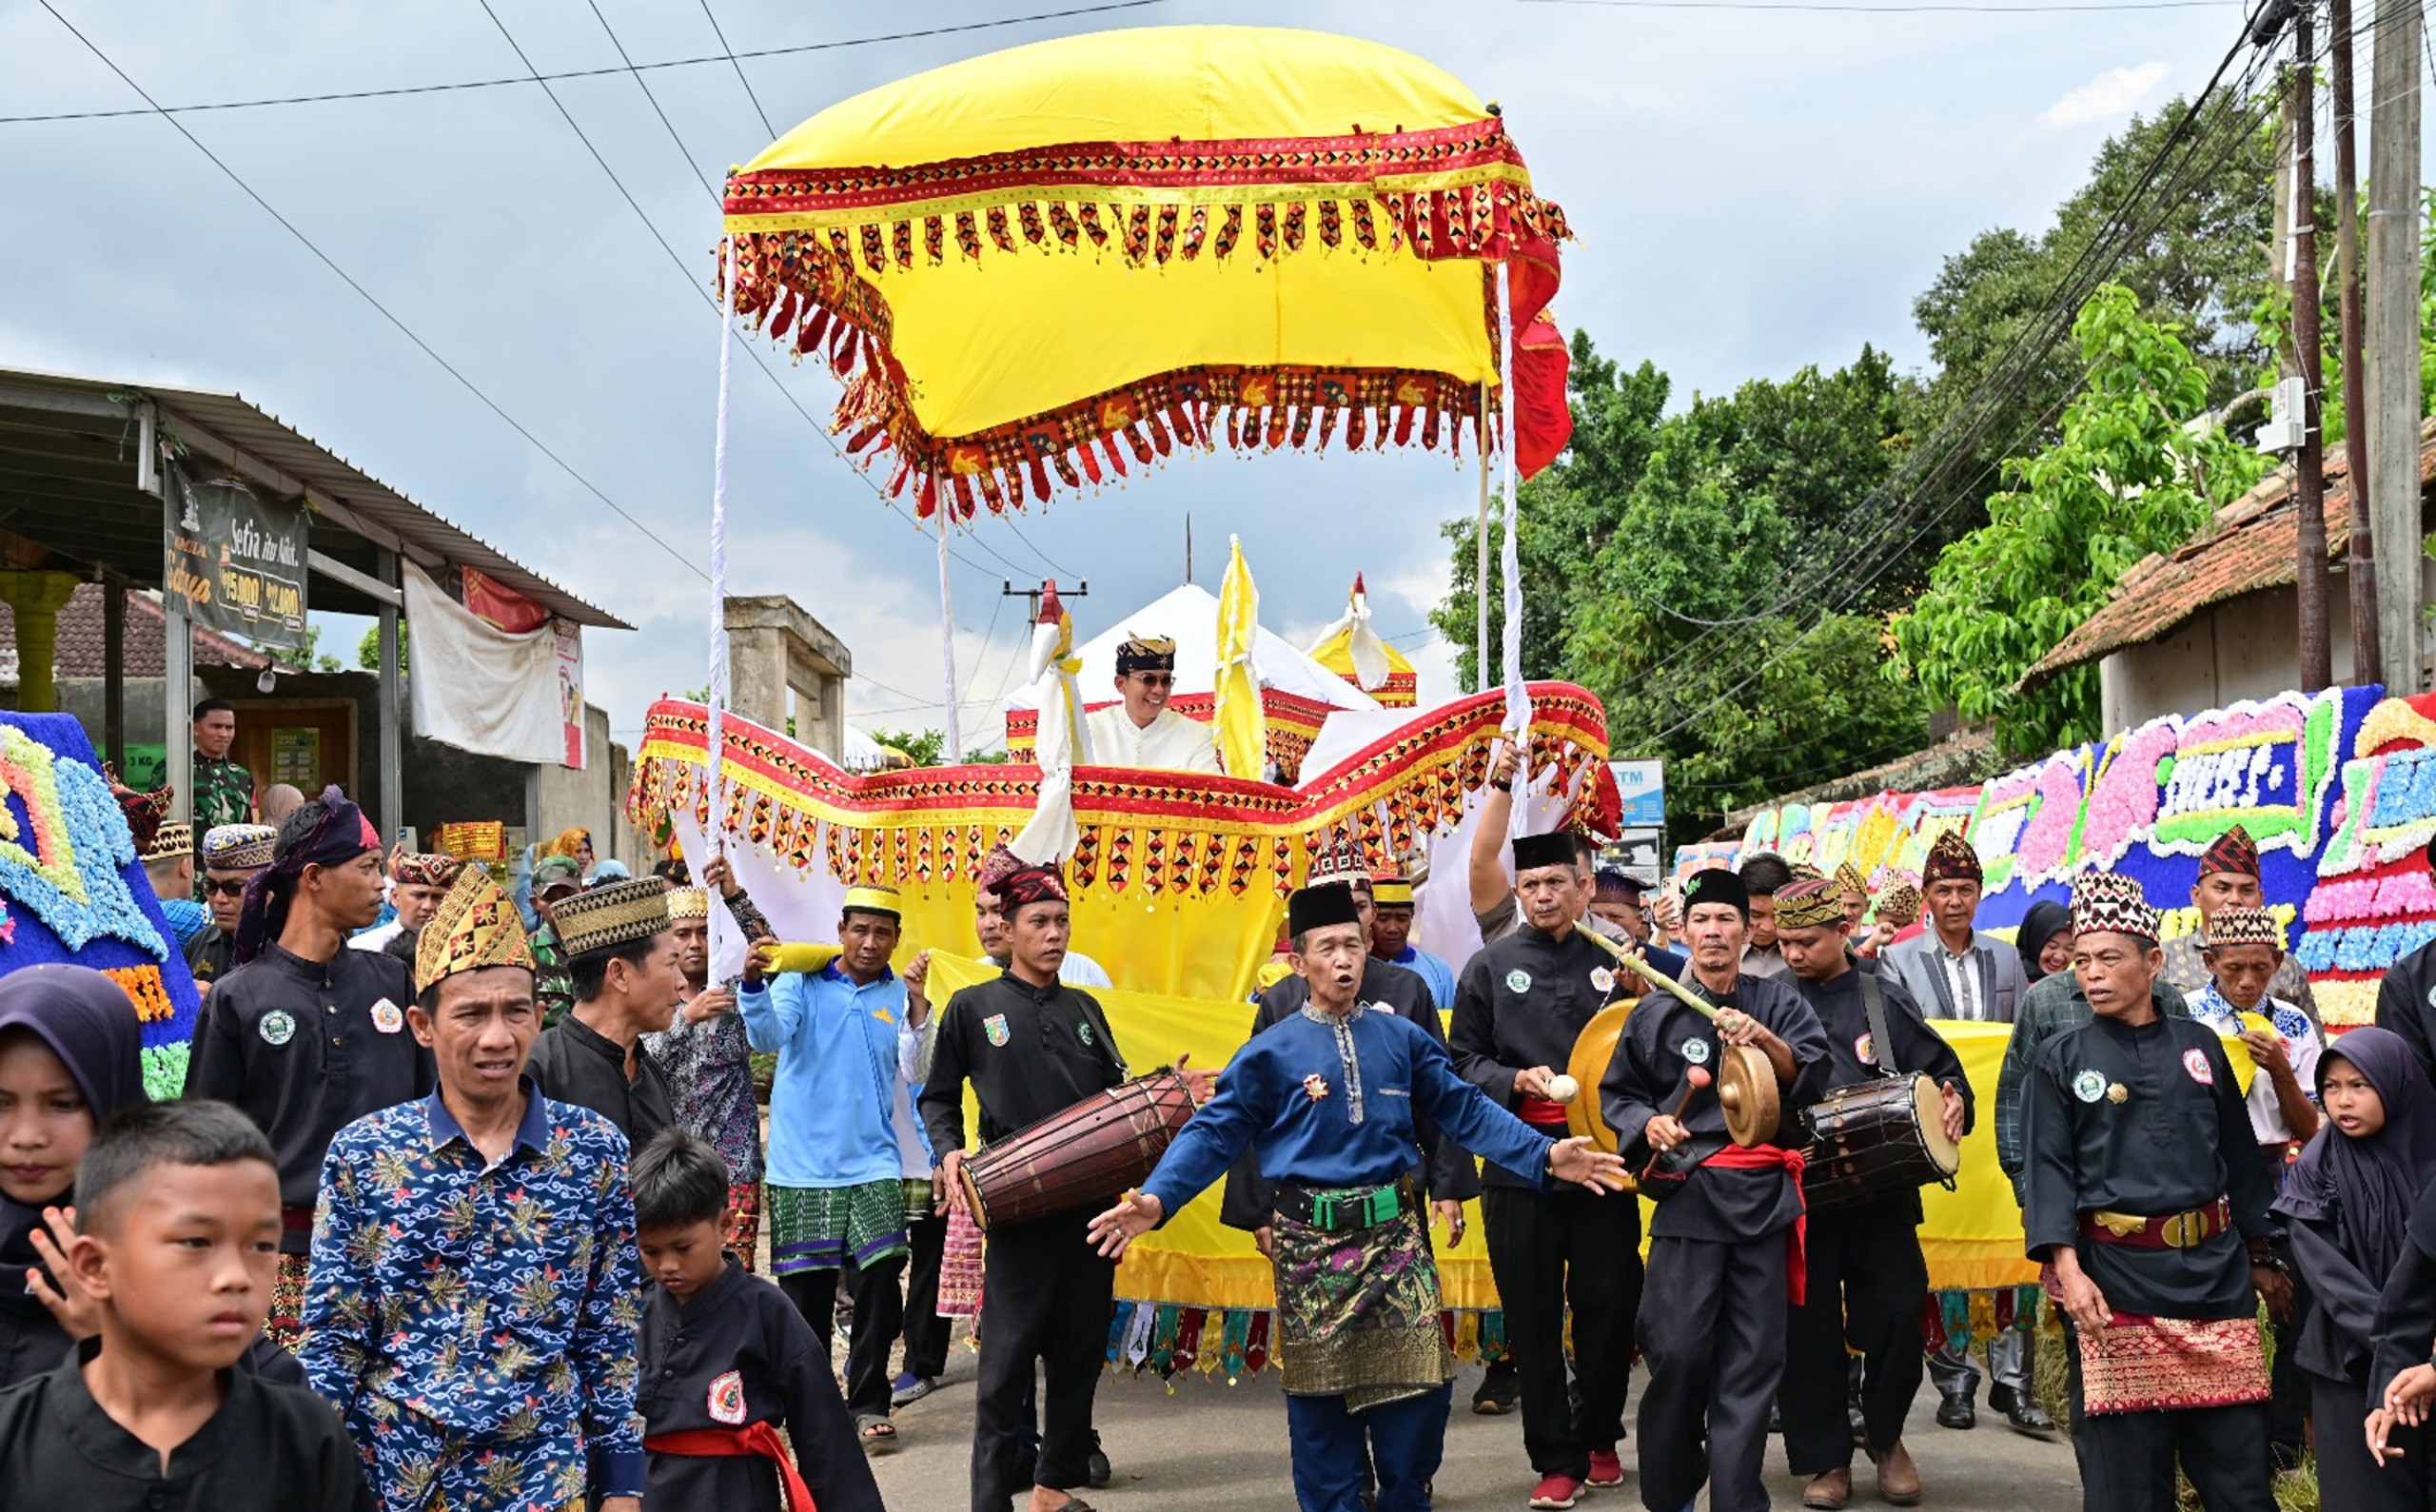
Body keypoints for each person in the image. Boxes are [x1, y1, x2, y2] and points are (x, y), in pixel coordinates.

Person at [1089, 883, 1632, 1512]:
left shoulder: (1400, 1037)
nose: (1343, 959)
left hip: (1396, 1242)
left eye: (1352, 943)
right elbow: (1215, 1131)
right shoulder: (1270, 1051)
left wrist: (1543, 1153)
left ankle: (1406, 1497)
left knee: (1421, 1400)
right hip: (1311, 1249)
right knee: (1322, 1413)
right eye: (1327, 948)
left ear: (1367, 946)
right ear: (1299, 962)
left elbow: (1462, 1107)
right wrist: (1156, 1200)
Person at [302, 863, 648, 1512]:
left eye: (516, 1011)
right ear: (423, 1025)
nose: (497, 1036)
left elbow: (610, 1331)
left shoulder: (592, 1150)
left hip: (543, 1479)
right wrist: (308, 1475)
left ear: (540, 1016)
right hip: (395, 1481)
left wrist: (623, 1484)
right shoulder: (366, 1154)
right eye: (471, 1013)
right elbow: (334, 1336)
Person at [2021, 870, 2281, 1512]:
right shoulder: (2060, 1057)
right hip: (2115, 1286)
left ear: (2153, 960)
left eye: (2109, 957)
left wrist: (2261, 1254)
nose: (2093, 973)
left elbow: (2240, 1158)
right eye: (2082, 961)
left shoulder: (2200, 1047)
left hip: (2215, 1280)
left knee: (2241, 1483)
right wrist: (2067, 1267)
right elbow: (2047, 1168)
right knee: (2127, 1491)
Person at [0, 1101, 373, 1511]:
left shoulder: (305, 1439)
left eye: (261, 1245)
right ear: (95, 1266)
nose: (236, 1276)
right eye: (195, 1242)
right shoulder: (15, 1438)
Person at [919, 862, 1154, 1512]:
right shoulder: (972, 1006)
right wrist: (948, 1151)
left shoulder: (1086, 1008)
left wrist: (1163, 1095)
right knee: (1004, 1370)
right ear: (1009, 928)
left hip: (1089, 1216)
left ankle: (1051, 1489)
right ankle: (990, 1501)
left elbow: (1119, 1097)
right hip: (1018, 1211)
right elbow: (937, 1097)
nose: (1053, 935)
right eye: (1039, 923)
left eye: (1061, 922)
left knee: (1078, 1360)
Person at [1601, 865, 1828, 1512]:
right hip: (1689, 1200)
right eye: (1700, 919)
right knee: (1675, 1351)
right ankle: (1672, 1487)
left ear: (1747, 927)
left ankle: (1735, 1498)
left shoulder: (1777, 1001)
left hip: (1762, 1202)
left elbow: (1809, 1074)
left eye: (1726, 918)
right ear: (1683, 928)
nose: (1713, 931)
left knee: (1753, 1362)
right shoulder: (1654, 1010)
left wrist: (1764, 1040)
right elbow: (1618, 1094)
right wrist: (1650, 1122)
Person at [183, 787, 429, 1352]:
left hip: (395, 1249)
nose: (382, 884)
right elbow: (203, 1146)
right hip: (282, 1260)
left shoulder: (392, 983)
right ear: (314, 877)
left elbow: (429, 1113)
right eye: (368, 867)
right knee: (289, 1423)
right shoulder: (237, 998)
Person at [1450, 831, 1650, 1509]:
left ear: (1584, 886)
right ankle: (1554, 1456)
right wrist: (1515, 1079)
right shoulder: (1488, 965)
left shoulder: (1620, 962)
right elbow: (1463, 1063)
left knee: (1609, 1304)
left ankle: (1598, 1435)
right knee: (1532, 1318)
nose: (1542, 896)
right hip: (1519, 1163)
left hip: (1600, 1160)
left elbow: (1655, 1045)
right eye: (1530, 885)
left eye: (1556, 883)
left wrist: (1639, 995)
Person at [1771, 878, 1970, 1509]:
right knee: (1807, 1333)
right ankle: (1826, 1459)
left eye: (1808, 941)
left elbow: (1942, 1069)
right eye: (1785, 942)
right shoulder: (1770, 1001)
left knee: (1897, 1313)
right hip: (1800, 1194)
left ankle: (1886, 1438)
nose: (1796, 953)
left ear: (1840, 932)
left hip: (1880, 1196)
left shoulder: (1879, 996)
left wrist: (1953, 1097)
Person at [738, 884, 919, 1450]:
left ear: (896, 939)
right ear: (840, 931)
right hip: (802, 1166)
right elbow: (767, 1034)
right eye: (860, 930)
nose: (870, 943)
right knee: (805, 1298)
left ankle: (868, 1401)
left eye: (882, 932)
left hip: (873, 1163)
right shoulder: (802, 980)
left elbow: (918, 1068)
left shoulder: (897, 993)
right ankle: (810, 1405)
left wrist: (917, 1006)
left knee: (882, 1283)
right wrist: (751, 984)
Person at [633, 1128, 887, 1512]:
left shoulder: (767, 1310)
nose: (667, 1265)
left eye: (683, 1247)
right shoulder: (633, 1314)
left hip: (733, 1495)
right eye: (650, 1251)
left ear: (725, 1226)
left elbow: (825, 1437)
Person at [2271, 1027, 2436, 1510]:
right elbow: (2331, 1280)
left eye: (2360, 1086)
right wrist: (2397, 1343)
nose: (2343, 1101)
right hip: (2352, 1362)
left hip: (2431, 1354)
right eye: (2331, 1087)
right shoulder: (2316, 1170)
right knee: (2367, 1492)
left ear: (2395, 1083)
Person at [0, 966, 147, 1385]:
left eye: (62, 1104)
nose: (27, 1137)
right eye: (1, 1102)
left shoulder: (169, 1257)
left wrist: (119, 1345)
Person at [643, 885, 767, 1268]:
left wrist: (733, 896)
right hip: (672, 1165)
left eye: (704, 932)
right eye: (683, 934)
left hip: (736, 1165)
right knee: (678, 1268)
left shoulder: (735, 994)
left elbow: (772, 953)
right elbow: (642, 1061)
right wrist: (687, 1017)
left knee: (734, 1273)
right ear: (666, 941)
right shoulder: (650, 1002)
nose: (695, 943)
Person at [526, 874, 684, 1151]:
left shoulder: (650, 1071)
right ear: (619, 974)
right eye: (671, 964)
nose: (681, 982)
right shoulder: (538, 1071)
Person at [2189, 906, 2321, 1168]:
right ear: (2210, 962)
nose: (2248, 981)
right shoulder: (2185, 1017)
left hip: (2271, 1167)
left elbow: (2308, 1129)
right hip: (2202, 1165)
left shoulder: (2293, 1023)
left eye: (2260, 967)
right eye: (2234, 967)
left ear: (2277, 962)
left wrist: (2280, 1071)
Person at [2162, 825, 2321, 1027]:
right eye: (2222, 889)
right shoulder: (2166, 957)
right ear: (2196, 895)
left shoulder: (2286, 966)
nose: (2235, 900)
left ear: (2260, 898)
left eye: (2246, 891)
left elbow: (2312, 1041)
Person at [1884, 830, 2027, 1025]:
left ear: (1979, 894)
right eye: (1943, 891)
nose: (1955, 901)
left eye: (1965, 890)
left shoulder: (2007, 957)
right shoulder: (1898, 961)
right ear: (1926, 896)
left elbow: (2023, 1032)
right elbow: (1892, 1032)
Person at [1080, 634, 1222, 775]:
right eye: (1148, 679)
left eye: (1166, 680)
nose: (1159, 690)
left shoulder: (1196, 735)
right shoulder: (1088, 730)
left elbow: (1211, 790)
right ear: (1121, 684)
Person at [187, 823, 277, 993]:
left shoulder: (286, 948)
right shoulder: (200, 944)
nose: (219, 899)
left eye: (233, 888)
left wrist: (216, 1002)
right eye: (210, 886)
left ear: (268, 888)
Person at [1369, 871, 1456, 1009]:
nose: (1392, 928)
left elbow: (1449, 1024)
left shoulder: (1438, 970)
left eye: (1402, 918)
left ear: (1412, 919)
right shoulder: (1357, 969)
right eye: (1383, 918)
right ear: (1370, 919)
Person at [348, 851, 460, 956]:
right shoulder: (364, 949)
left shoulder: (459, 948)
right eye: (419, 895)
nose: (428, 906)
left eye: (437, 897)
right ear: (396, 897)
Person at [524, 853, 585, 1026]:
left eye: (568, 895)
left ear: (583, 893)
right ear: (535, 903)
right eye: (550, 899)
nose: (560, 906)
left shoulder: (602, 946)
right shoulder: (526, 952)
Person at [190, 697, 257, 830]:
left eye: (229, 727)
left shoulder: (242, 776)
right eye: (216, 727)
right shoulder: (178, 771)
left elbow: (250, 824)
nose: (223, 734)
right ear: (196, 729)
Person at [1736, 852, 1794, 981]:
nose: (1768, 928)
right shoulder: (1713, 955)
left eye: (1777, 915)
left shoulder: (1807, 958)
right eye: (1756, 915)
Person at [1856, 881, 1920, 962]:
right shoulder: (1856, 944)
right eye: (1894, 924)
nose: (1900, 931)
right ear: (1877, 916)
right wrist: (1871, 944)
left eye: (1907, 924)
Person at [2016, 899, 2074, 985]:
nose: (2059, 957)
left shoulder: (2073, 986)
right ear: (2034, 944)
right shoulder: (2009, 982)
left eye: (2069, 949)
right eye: (2052, 946)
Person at [1587, 870, 1649, 946]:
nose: (1604, 923)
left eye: (1614, 917)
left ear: (1637, 921)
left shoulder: (1657, 957)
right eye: (1596, 917)